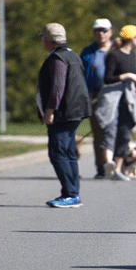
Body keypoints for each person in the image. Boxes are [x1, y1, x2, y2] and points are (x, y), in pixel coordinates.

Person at [37, 23, 92, 208]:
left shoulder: (58, 58)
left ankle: (70, 194)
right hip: (75, 111)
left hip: (64, 113)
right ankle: (72, 193)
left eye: (43, 38)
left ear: (47, 40)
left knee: (58, 153)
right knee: (68, 153)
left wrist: (50, 111)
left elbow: (58, 87)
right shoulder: (72, 55)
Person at [101, 24, 136, 181]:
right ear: (132, 38)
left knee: (125, 134)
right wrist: (127, 76)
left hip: (128, 100)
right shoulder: (114, 55)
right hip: (114, 100)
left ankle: (118, 169)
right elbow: (107, 79)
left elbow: (135, 77)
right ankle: (108, 164)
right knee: (111, 131)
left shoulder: (132, 55)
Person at [80, 18, 114, 178]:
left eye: (104, 30)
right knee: (98, 134)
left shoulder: (116, 49)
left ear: (110, 32)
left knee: (114, 132)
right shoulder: (87, 52)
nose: (100, 33)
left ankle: (116, 166)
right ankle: (101, 168)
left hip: (114, 95)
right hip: (94, 96)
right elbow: (80, 75)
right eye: (97, 30)